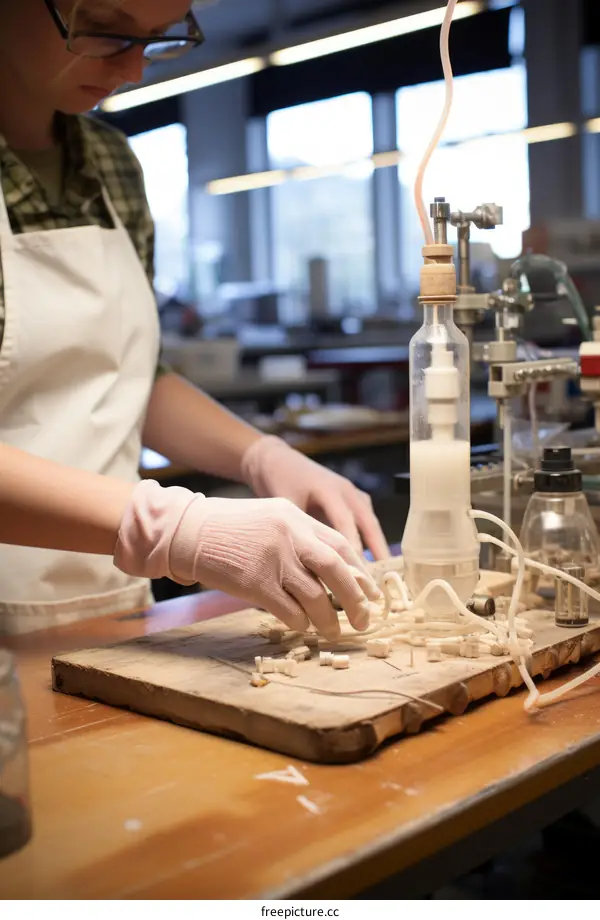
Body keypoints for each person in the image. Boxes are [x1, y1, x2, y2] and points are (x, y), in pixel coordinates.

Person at [0, 0, 388, 638]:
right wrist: (177, 527)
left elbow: (128, 378)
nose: (133, 70)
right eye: (106, 29)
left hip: (109, 603)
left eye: (157, 39)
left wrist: (261, 456)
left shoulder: (110, 163)